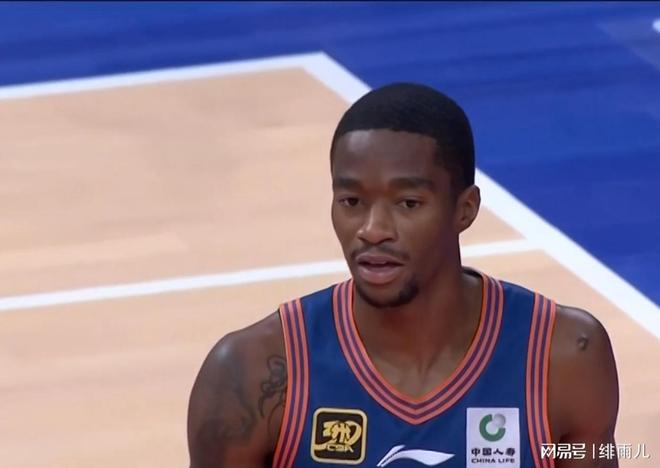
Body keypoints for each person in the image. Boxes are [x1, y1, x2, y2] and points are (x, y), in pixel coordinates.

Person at [187, 83, 619, 467]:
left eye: (407, 203)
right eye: (352, 201)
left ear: (465, 209)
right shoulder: (251, 375)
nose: (372, 229)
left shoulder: (564, 357)